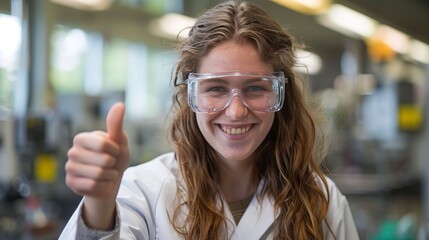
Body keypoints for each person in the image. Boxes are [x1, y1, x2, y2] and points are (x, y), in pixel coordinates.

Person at [60, 1, 359, 239]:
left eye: (255, 88)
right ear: (190, 95)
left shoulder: (323, 202)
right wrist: (99, 204)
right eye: (216, 88)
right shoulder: (144, 192)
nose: (236, 111)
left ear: (281, 94)